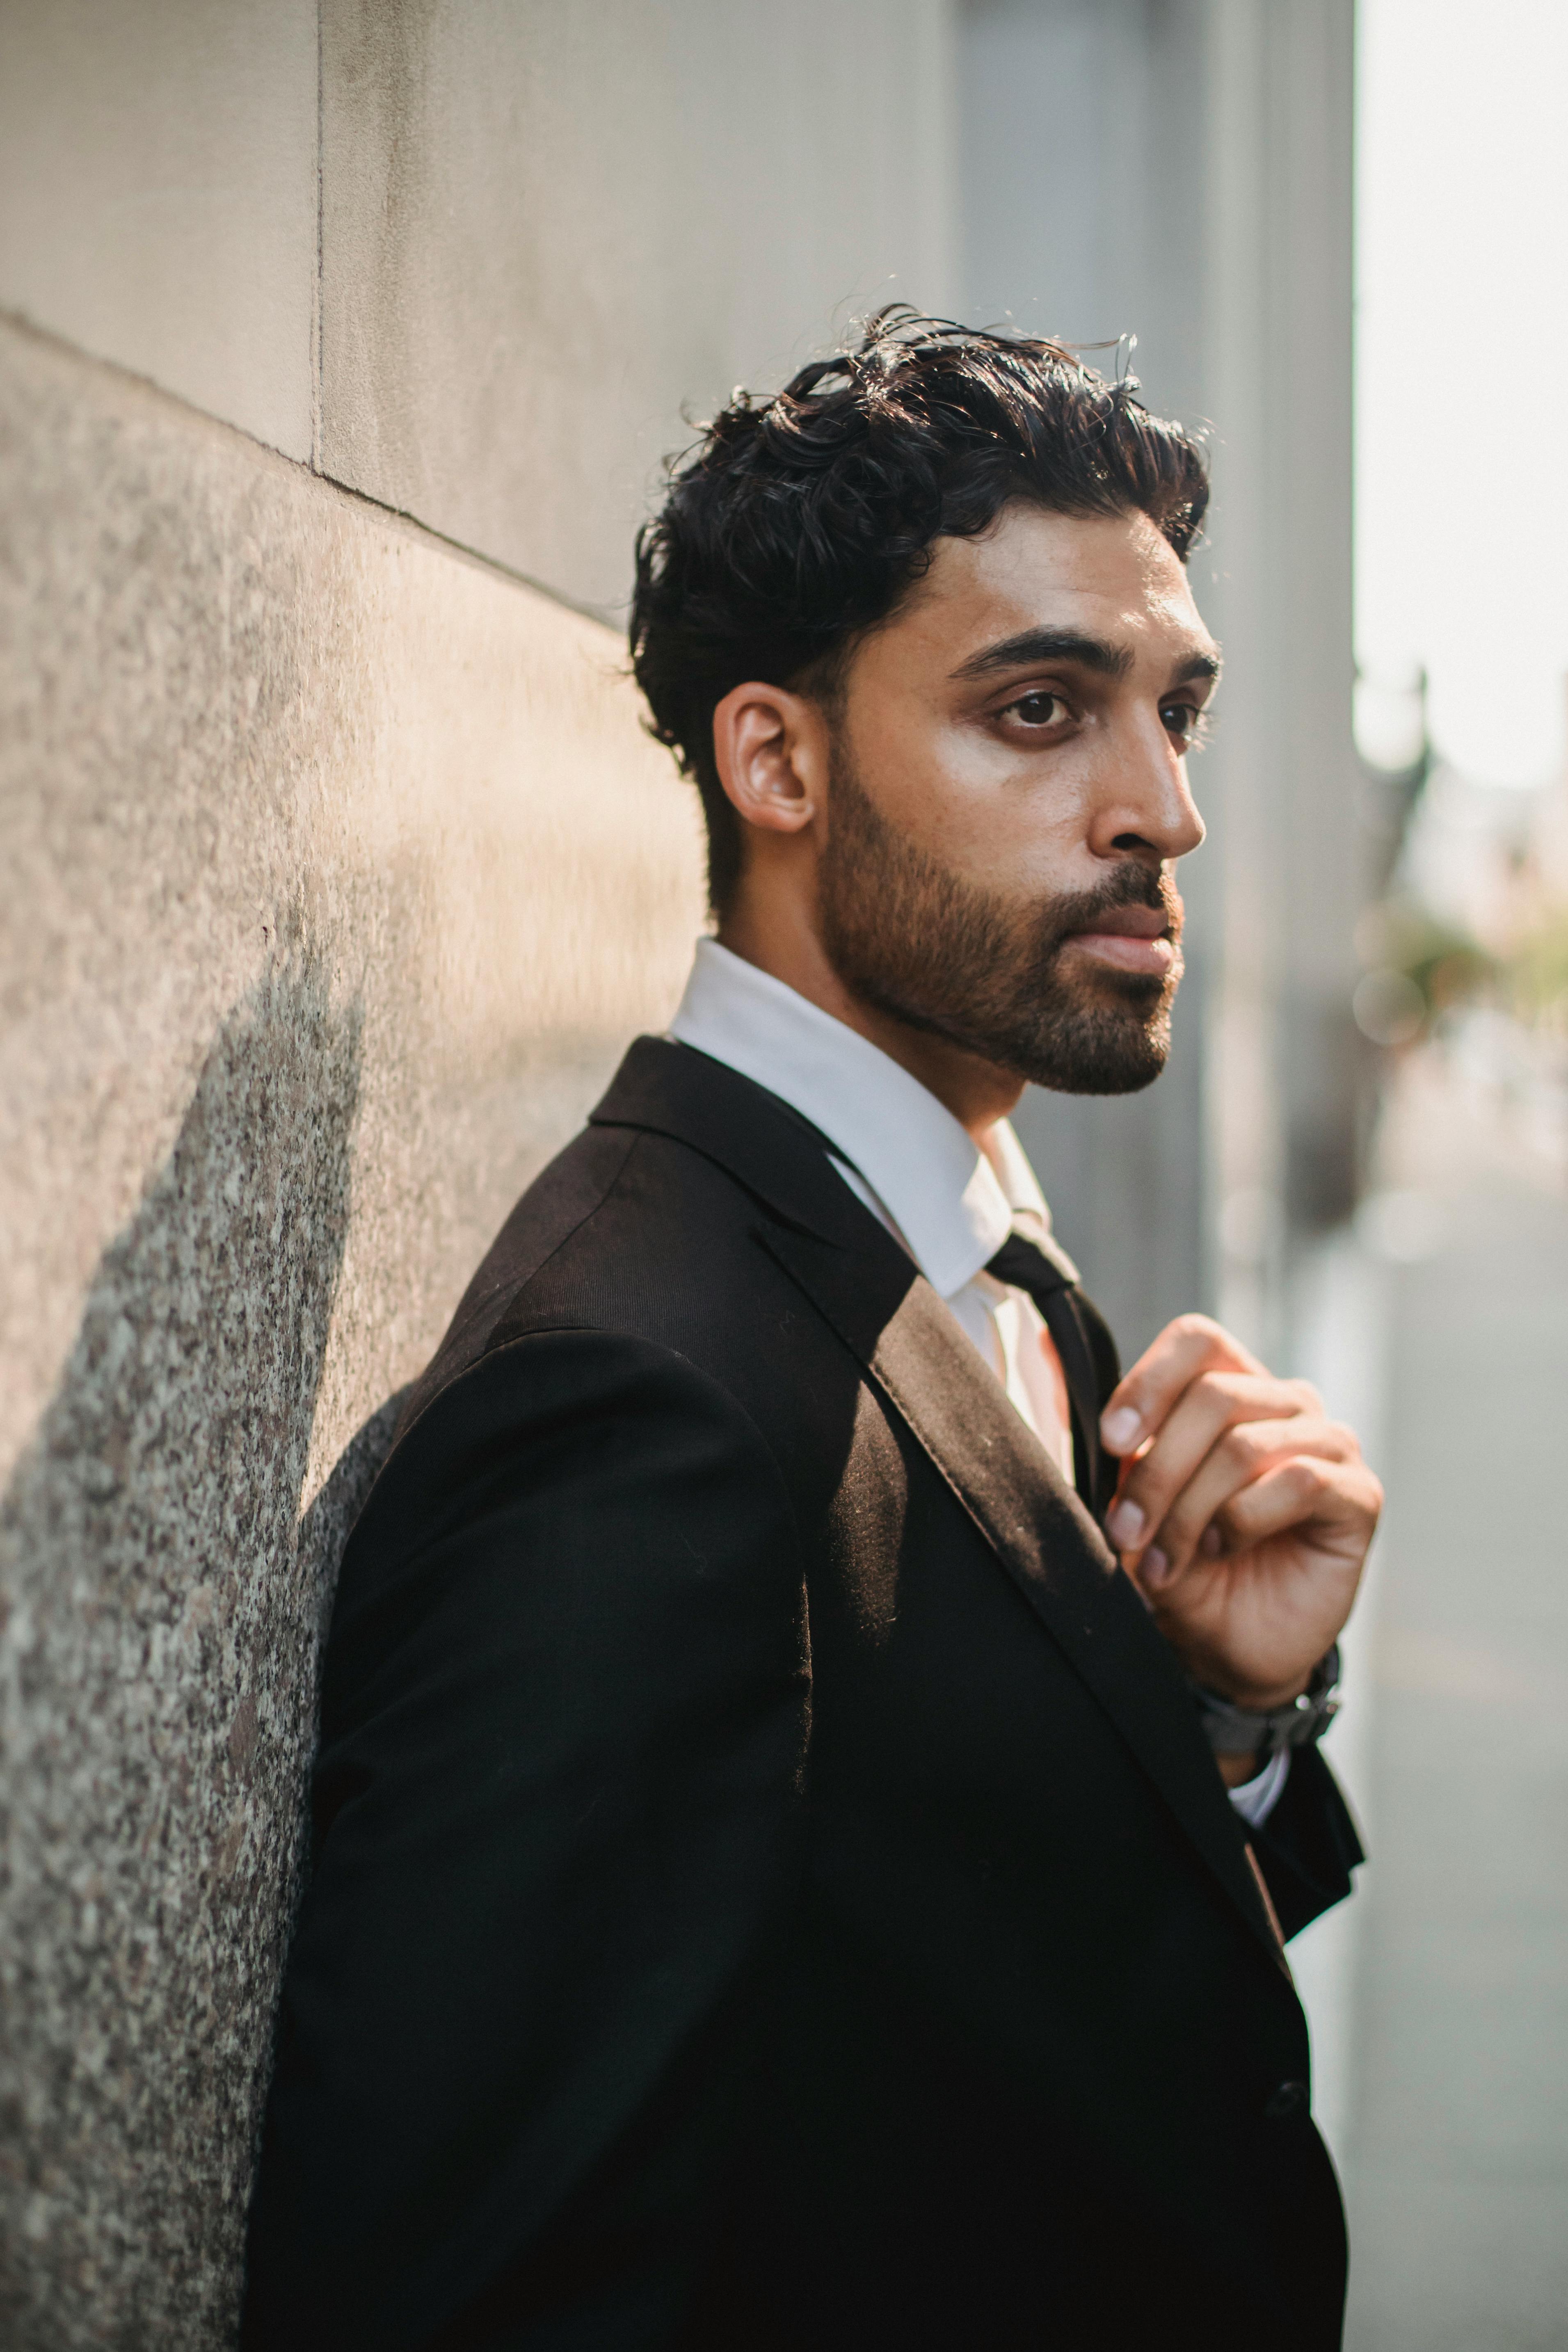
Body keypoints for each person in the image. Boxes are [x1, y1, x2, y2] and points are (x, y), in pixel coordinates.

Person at [242, 314, 1380, 2351]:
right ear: (775, 758)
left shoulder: (975, 1251)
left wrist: (1218, 1725)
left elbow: (993, 2020)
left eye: (1174, 714)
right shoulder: (634, 1415)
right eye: (1039, 710)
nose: (1159, 812)